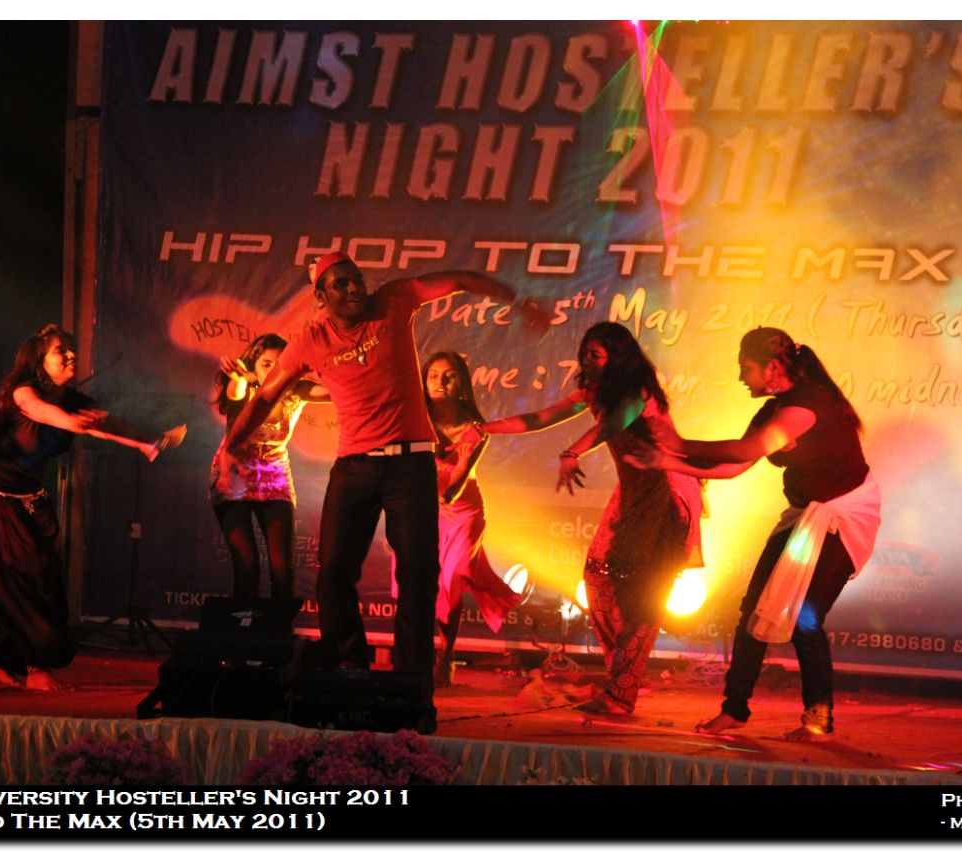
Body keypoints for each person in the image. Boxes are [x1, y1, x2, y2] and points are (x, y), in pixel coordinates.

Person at [225, 252, 548, 730]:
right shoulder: (311, 341)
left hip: (410, 465)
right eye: (340, 284)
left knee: (420, 573)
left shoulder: (394, 300)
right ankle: (349, 665)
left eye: (356, 280)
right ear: (321, 296)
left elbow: (459, 277)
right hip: (354, 468)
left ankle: (410, 683)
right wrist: (230, 446)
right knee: (334, 570)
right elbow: (266, 395)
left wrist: (517, 299)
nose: (353, 288)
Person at [627, 327, 880, 740]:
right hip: (804, 515)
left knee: (805, 618)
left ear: (774, 367)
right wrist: (666, 461)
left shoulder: (808, 405)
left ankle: (818, 717)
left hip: (843, 515)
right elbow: (734, 467)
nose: (741, 377)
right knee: (752, 611)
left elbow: (743, 451)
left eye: (746, 368)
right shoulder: (773, 411)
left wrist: (679, 443)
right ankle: (734, 710)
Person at [479, 322, 703, 715]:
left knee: (645, 595)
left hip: (667, 490)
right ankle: (625, 675)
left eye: (595, 355)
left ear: (617, 358)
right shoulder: (594, 391)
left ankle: (622, 692)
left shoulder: (638, 391)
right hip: (633, 491)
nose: (586, 361)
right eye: (585, 353)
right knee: (597, 575)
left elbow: (612, 424)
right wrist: (485, 428)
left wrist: (572, 453)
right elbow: (541, 417)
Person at [0, 324, 186, 691]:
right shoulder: (24, 392)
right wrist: (74, 423)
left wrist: (147, 442)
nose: (71, 354)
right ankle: (35, 667)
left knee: (37, 578)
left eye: (72, 348)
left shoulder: (73, 400)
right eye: (61, 350)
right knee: (34, 575)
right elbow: (43, 413)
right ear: (39, 362)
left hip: (26, 500)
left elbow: (104, 425)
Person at [402, 351, 520, 687]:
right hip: (423, 506)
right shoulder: (415, 417)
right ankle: (416, 656)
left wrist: (457, 469)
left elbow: (453, 490)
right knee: (421, 581)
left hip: (462, 510)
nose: (440, 382)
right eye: (433, 375)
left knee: (451, 580)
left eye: (449, 375)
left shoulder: (475, 428)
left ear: (462, 382)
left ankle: (447, 653)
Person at [209, 333, 329, 631]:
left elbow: (332, 392)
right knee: (247, 566)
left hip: (274, 476)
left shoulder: (296, 390)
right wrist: (241, 378)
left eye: (280, 365)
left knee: (282, 569)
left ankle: (278, 638)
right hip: (234, 475)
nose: (273, 371)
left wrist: (329, 365)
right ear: (253, 365)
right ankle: (242, 638)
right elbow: (236, 395)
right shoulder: (242, 385)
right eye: (266, 364)